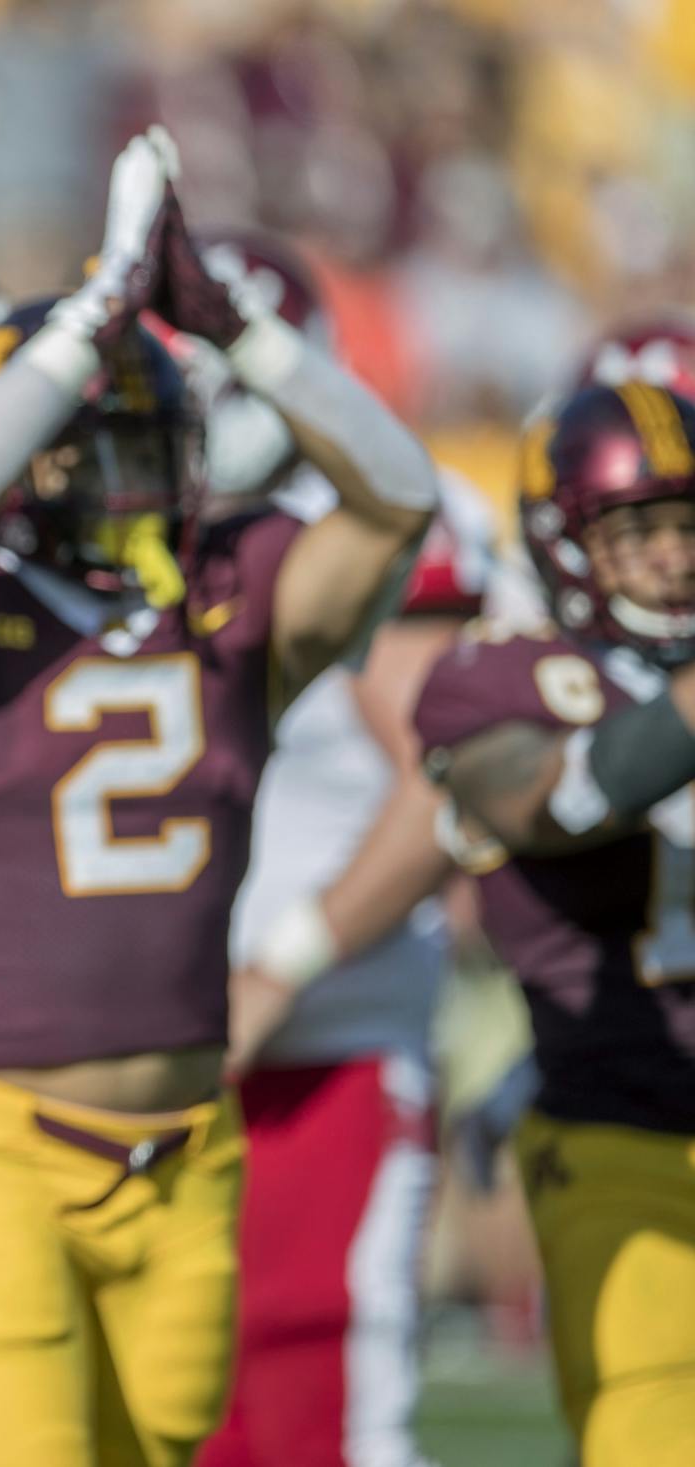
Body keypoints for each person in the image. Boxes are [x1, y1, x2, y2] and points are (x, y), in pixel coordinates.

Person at [0, 131, 437, 1466]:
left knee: (159, 1444)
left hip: (190, 1145)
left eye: (151, 440)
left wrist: (241, 336)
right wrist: (87, 323)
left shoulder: (226, 589)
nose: (135, 475)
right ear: (23, 451)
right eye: (99, 445)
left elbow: (400, 499)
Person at [182, 232, 495, 1467]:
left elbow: (444, 779)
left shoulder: (367, 519)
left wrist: (280, 967)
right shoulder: (131, 516)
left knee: (329, 1413)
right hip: (140, 1046)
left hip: (326, 1032)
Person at [412, 381, 695, 1467]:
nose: (673, 557)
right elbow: (555, 801)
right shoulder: (509, 674)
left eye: (686, 525)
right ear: (567, 542)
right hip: (624, 1126)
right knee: (652, 1433)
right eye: (638, 531)